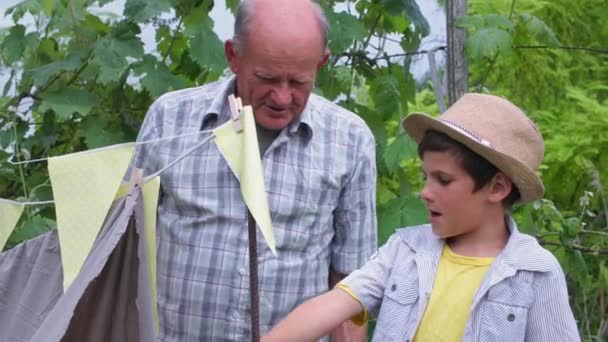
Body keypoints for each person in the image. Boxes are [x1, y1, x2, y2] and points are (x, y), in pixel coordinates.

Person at [133, 0, 377, 340]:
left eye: (299, 82)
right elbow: (125, 250)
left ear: (321, 63)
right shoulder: (170, 119)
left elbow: (350, 288)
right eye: (266, 78)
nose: (281, 96)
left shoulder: (349, 141)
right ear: (233, 56)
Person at [262, 93, 580, 342]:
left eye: (443, 180)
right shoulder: (405, 250)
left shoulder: (536, 273)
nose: (425, 192)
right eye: (425, 177)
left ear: (496, 187)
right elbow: (333, 305)